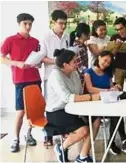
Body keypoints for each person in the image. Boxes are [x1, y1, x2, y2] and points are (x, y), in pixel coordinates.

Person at [45, 49, 100, 162]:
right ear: (65, 65)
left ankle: (83, 156)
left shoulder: (74, 73)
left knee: (96, 120)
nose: (77, 64)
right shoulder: (55, 75)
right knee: (83, 130)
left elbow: (79, 93)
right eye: (74, 62)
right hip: (57, 111)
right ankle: (61, 148)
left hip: (73, 109)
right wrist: (90, 97)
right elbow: (67, 97)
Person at [1, 13, 41, 153]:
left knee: (33, 111)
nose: (28, 26)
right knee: (20, 111)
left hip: (35, 78)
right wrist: (16, 63)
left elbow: (38, 59)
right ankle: (15, 139)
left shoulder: (35, 41)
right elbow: (1, 58)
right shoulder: (10, 40)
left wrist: (38, 63)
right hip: (20, 80)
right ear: (19, 24)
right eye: (25, 23)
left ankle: (28, 135)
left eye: (30, 24)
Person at [84, 50, 126, 156]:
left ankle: (114, 142)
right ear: (99, 58)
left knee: (117, 113)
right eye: (105, 60)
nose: (106, 64)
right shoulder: (88, 72)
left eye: (109, 62)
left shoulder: (107, 73)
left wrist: (115, 87)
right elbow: (90, 89)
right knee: (115, 114)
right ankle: (120, 140)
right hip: (95, 104)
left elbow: (110, 86)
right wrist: (107, 91)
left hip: (108, 102)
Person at [39, 9, 70, 146]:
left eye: (65, 23)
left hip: (64, 76)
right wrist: (56, 62)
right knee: (50, 107)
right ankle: (49, 135)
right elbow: (42, 58)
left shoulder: (67, 36)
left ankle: (63, 130)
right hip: (50, 76)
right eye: (61, 23)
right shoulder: (45, 37)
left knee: (63, 103)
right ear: (53, 22)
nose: (63, 26)